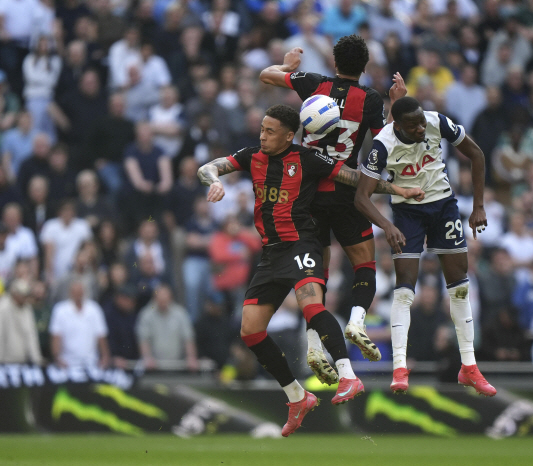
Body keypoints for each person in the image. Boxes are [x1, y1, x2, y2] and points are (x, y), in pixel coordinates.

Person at [197, 104, 422, 436]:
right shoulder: (251, 157)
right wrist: (214, 181)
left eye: (270, 131)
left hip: (303, 245)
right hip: (271, 254)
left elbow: (355, 179)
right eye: (261, 128)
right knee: (250, 330)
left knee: (313, 307)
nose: (262, 135)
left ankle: (348, 376)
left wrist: (398, 190)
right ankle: (297, 397)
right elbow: (208, 167)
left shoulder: (307, 159)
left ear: (290, 136)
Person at [259, 37, 406, 376]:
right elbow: (385, 140)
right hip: (345, 191)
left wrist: (287, 65)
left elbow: (266, 75)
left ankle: (313, 345)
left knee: (316, 273)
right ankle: (357, 321)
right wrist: (395, 105)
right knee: (364, 262)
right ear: (365, 67)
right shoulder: (369, 99)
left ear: (335, 62)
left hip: (306, 194)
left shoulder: (315, 84)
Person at [355, 96, 496, 397]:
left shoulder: (436, 121)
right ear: (398, 125)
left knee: (459, 287)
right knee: (405, 290)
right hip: (408, 213)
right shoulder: (383, 144)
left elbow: (477, 154)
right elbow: (361, 197)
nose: (421, 128)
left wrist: (479, 206)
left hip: (444, 206)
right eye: (413, 125)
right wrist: (388, 226)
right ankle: (400, 367)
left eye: (421, 121)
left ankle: (469, 367)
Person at [49, 280, 110, 368]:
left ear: (84, 292)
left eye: (80, 291)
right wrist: (57, 358)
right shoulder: (60, 310)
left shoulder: (94, 309)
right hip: (67, 362)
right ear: (70, 292)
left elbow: (101, 335)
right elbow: (56, 336)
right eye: (75, 291)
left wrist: (105, 357)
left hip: (91, 362)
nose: (78, 294)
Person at [136, 284, 198, 370]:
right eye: (160, 300)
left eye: (165, 300)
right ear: (155, 299)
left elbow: (188, 338)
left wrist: (191, 357)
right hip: (154, 366)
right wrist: (147, 357)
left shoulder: (180, 313)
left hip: (178, 365)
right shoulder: (146, 314)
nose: (163, 303)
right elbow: (143, 339)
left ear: (171, 298)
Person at [0, 279, 41, 364]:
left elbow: (31, 334)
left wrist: (37, 359)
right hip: (6, 360)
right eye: (23, 295)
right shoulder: (3, 307)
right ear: (15, 294)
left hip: (23, 359)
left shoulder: (27, 308)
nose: (25, 298)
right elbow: (1, 335)